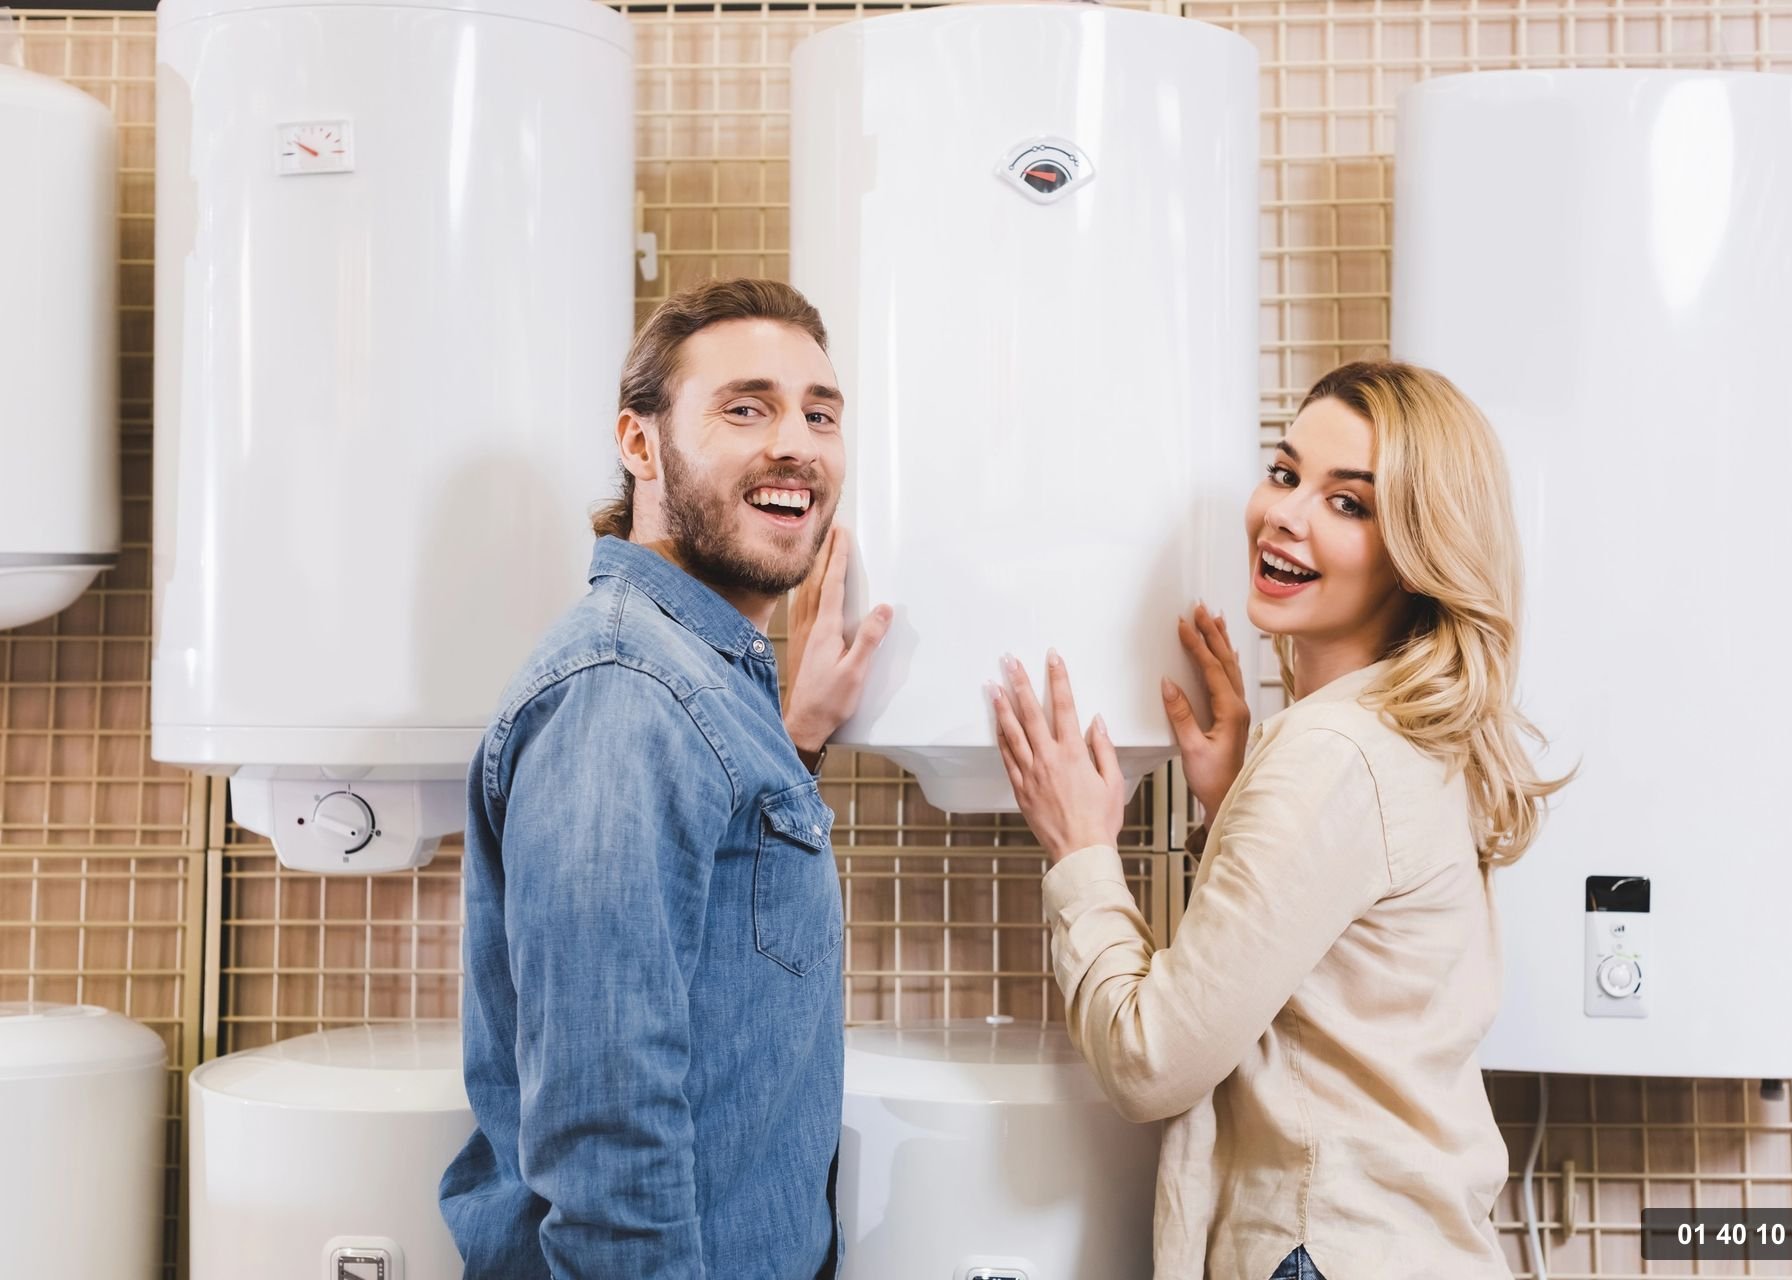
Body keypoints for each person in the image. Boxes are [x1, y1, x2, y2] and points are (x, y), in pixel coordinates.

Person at [988, 360, 1567, 1279]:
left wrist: (1083, 851)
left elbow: (1150, 1062)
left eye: (1349, 503)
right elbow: (1338, 992)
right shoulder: (1403, 733)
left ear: (1418, 553)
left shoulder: (1333, 755)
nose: (1284, 516)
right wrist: (1235, 801)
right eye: (1286, 474)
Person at [440, 278, 891, 1278]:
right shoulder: (624, 692)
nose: (797, 445)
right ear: (640, 444)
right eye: (747, 408)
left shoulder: (694, 680)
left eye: (820, 414)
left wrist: (795, 738)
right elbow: (609, 1131)